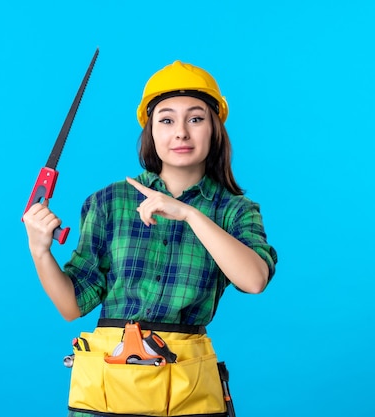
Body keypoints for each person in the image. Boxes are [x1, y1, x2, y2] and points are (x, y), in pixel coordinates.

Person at [23, 59, 278, 417]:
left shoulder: (235, 211)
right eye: (167, 119)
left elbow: (254, 280)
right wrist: (40, 251)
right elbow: (72, 306)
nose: (181, 133)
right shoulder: (108, 202)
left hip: (186, 392)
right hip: (107, 392)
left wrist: (189, 213)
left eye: (196, 118)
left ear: (215, 129)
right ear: (151, 132)